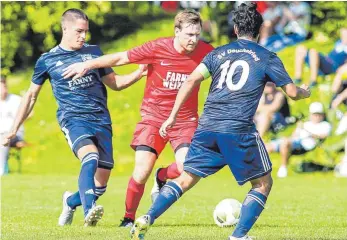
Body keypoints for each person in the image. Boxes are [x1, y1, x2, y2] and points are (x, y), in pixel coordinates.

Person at [130, 3, 310, 240]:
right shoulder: (266, 57)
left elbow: (190, 81)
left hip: (207, 127)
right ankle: (238, 236)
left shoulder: (217, 53)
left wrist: (172, 116)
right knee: (263, 183)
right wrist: (304, 91)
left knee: (185, 179)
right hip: (237, 129)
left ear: (235, 28)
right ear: (260, 29)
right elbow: (292, 93)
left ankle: (147, 217)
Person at [62, 9, 214, 227]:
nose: (194, 40)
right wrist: (87, 64)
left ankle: (162, 176)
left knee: (186, 168)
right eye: (189, 34)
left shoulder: (206, 52)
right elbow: (122, 57)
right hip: (153, 117)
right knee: (141, 171)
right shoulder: (157, 47)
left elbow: (224, 69)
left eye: (197, 35)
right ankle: (128, 218)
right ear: (176, 31)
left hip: (184, 121)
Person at [1, 9, 147, 227]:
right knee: (90, 157)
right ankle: (89, 211)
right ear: (65, 29)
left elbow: (115, 83)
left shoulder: (95, 52)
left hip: (101, 121)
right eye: (79, 31)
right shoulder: (47, 60)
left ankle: (70, 201)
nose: (83, 36)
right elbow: (30, 95)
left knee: (100, 184)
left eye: (86, 31)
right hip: (74, 119)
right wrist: (14, 128)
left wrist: (138, 73)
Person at [266, 102, 331, 178]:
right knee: (267, 146)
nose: (316, 116)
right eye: (314, 114)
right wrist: (298, 128)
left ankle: (283, 168)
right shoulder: (306, 123)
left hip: (304, 145)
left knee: (285, 143)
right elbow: (294, 136)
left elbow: (323, 136)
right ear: (310, 114)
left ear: (323, 115)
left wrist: (307, 132)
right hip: (295, 141)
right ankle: (259, 170)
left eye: (318, 114)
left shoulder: (325, 125)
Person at [0, 76, 27, 175]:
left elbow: (30, 113)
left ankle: (2, 171)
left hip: (14, 134)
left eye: (4, 86)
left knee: (3, 138)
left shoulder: (15, 100)